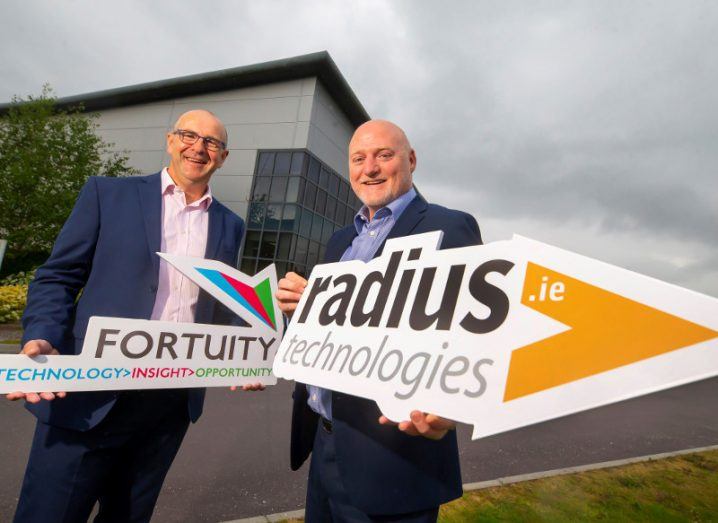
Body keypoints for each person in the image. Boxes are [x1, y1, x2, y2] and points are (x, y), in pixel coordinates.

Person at [7, 110, 255, 522]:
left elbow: (218, 307)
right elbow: (58, 276)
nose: (199, 148)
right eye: (189, 136)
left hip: (167, 406)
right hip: (88, 396)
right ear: (170, 140)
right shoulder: (108, 194)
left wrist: (246, 356)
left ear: (223, 158)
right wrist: (43, 333)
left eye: (212, 143)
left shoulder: (231, 224)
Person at [276, 120, 483, 522]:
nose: (369, 168)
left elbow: (470, 334)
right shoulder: (340, 241)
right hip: (325, 443)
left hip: (393, 458)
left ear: (411, 160)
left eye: (383, 156)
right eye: (359, 158)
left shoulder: (449, 227)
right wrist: (298, 312)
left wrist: (449, 406)